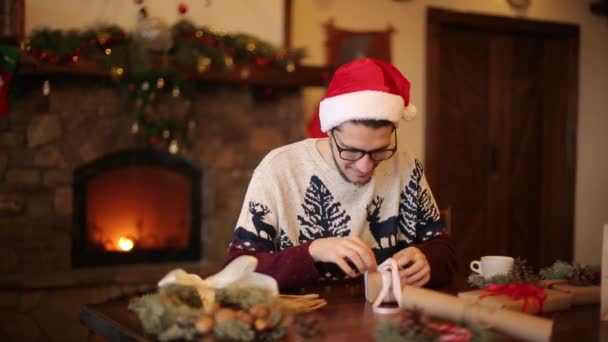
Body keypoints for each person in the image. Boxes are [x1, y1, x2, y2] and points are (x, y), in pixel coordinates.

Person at [225, 57, 457, 289]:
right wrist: (312, 251)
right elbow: (236, 271)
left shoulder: (406, 165)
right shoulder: (277, 170)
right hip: (302, 318)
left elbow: (444, 251)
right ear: (329, 131)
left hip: (383, 315)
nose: (365, 166)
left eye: (379, 151)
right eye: (351, 151)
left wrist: (428, 259)